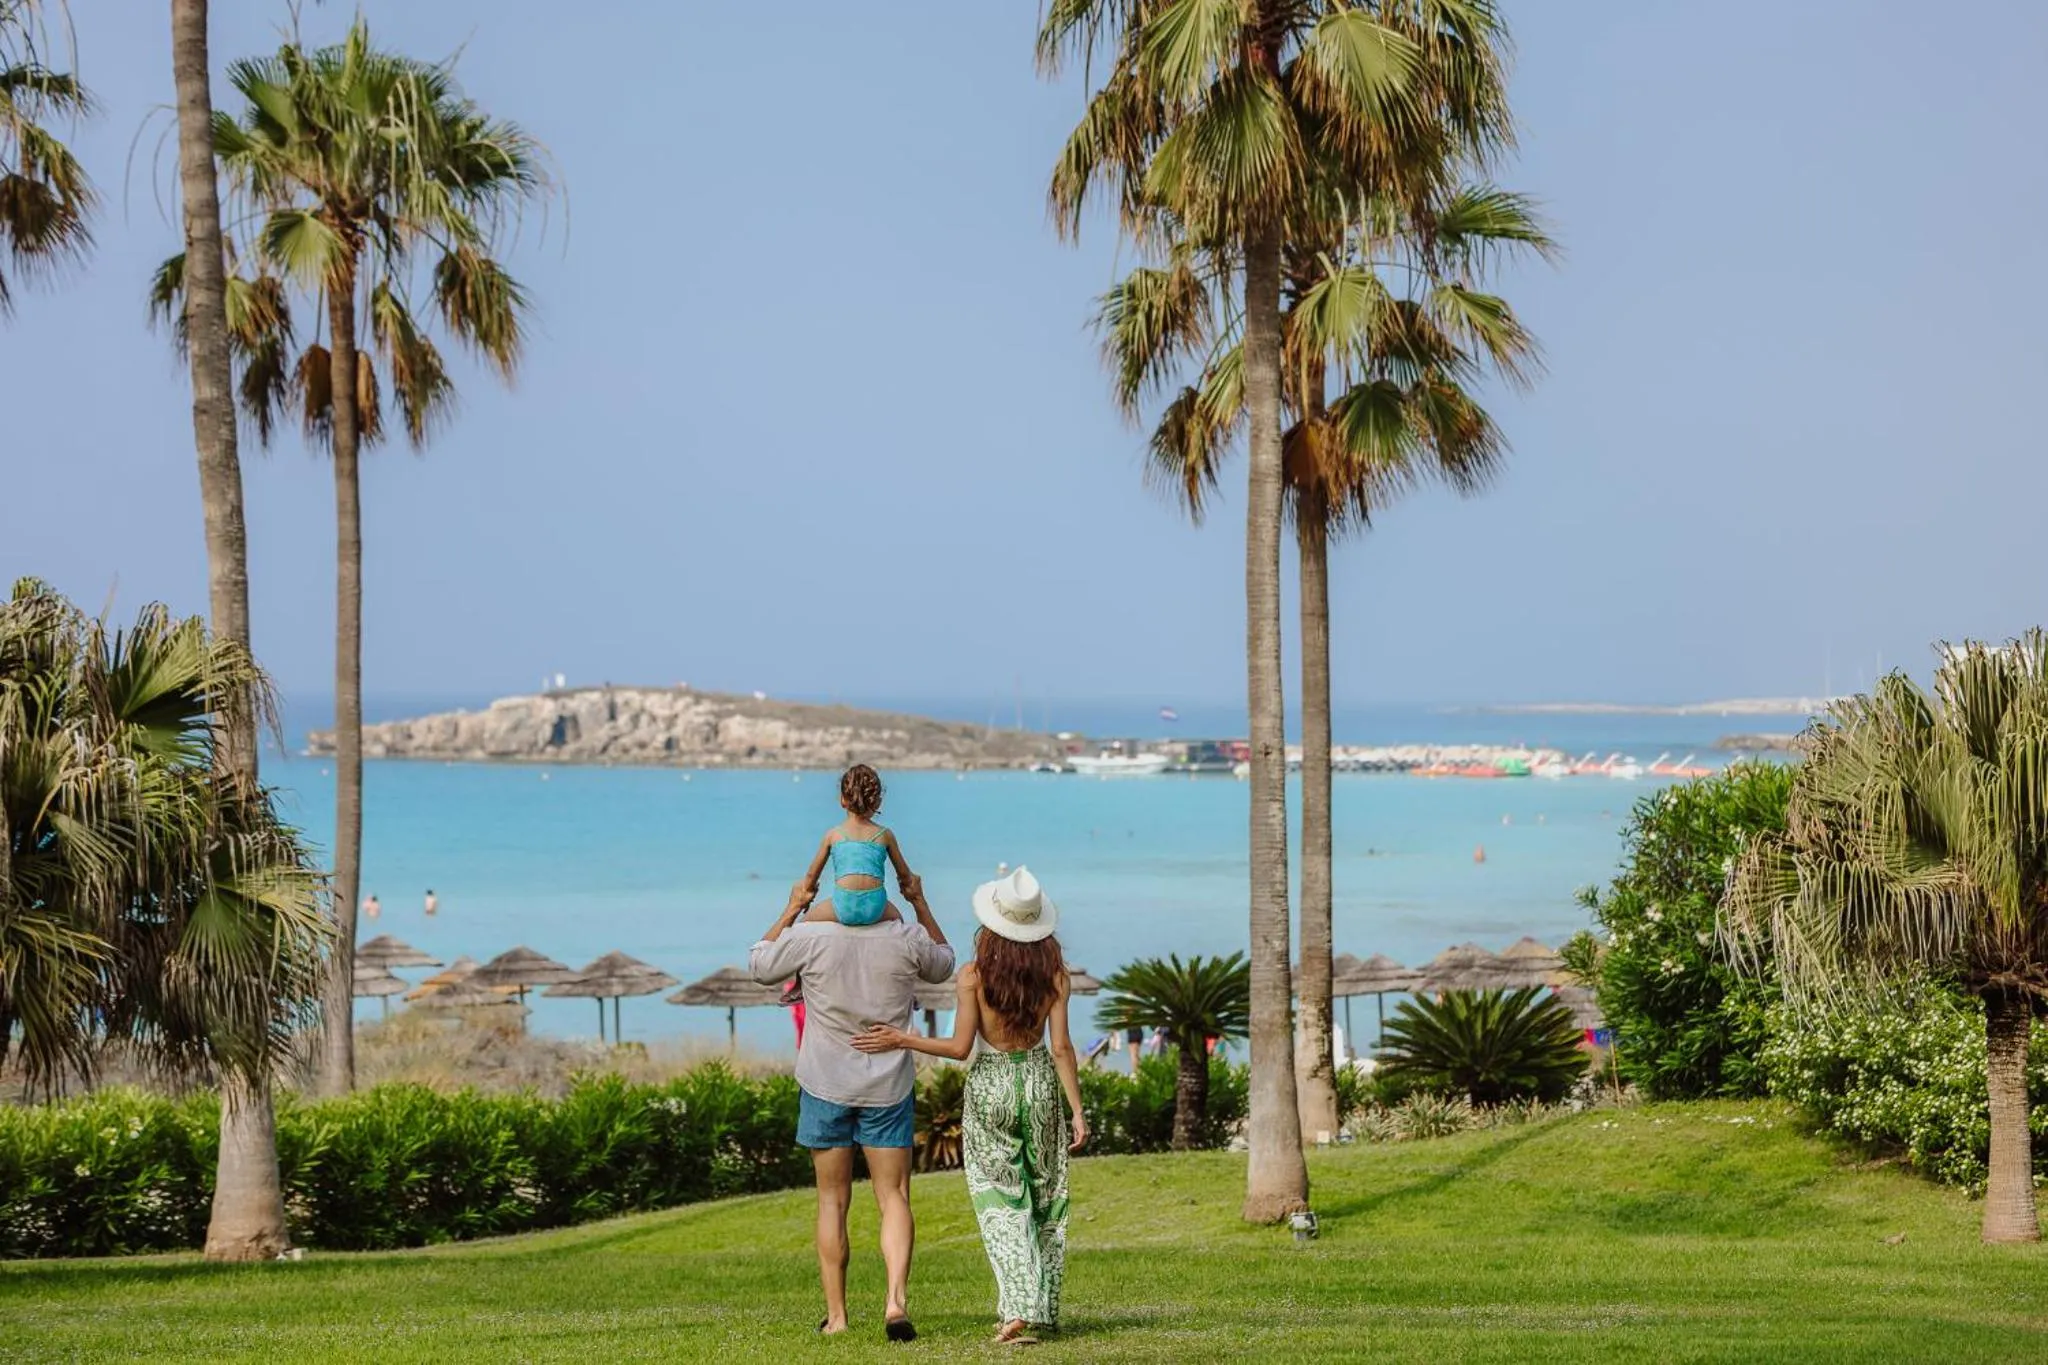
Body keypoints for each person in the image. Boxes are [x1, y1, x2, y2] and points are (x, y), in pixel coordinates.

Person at [854, 866, 1085, 1345]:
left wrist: (903, 1038)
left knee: (1001, 1201)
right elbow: (1062, 1048)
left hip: (991, 1088)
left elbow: (961, 1048)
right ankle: (1038, 1307)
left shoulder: (974, 976)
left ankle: (1017, 1309)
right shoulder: (1056, 977)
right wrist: (1077, 1110)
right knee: (1046, 1198)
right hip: (1040, 1082)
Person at [749, 871, 953, 1340]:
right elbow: (944, 963)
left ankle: (837, 1318)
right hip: (887, 1088)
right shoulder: (905, 938)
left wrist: (792, 906)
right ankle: (895, 1303)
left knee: (831, 1201)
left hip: (825, 1085)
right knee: (894, 1198)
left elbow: (760, 965)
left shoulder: (810, 937)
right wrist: (920, 903)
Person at [796, 764, 917, 927]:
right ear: (878, 802)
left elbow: (811, 876)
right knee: (899, 921)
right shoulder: (885, 835)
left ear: (842, 800)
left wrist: (807, 896)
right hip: (876, 907)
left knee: (802, 924)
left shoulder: (833, 835)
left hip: (843, 906)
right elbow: (905, 876)